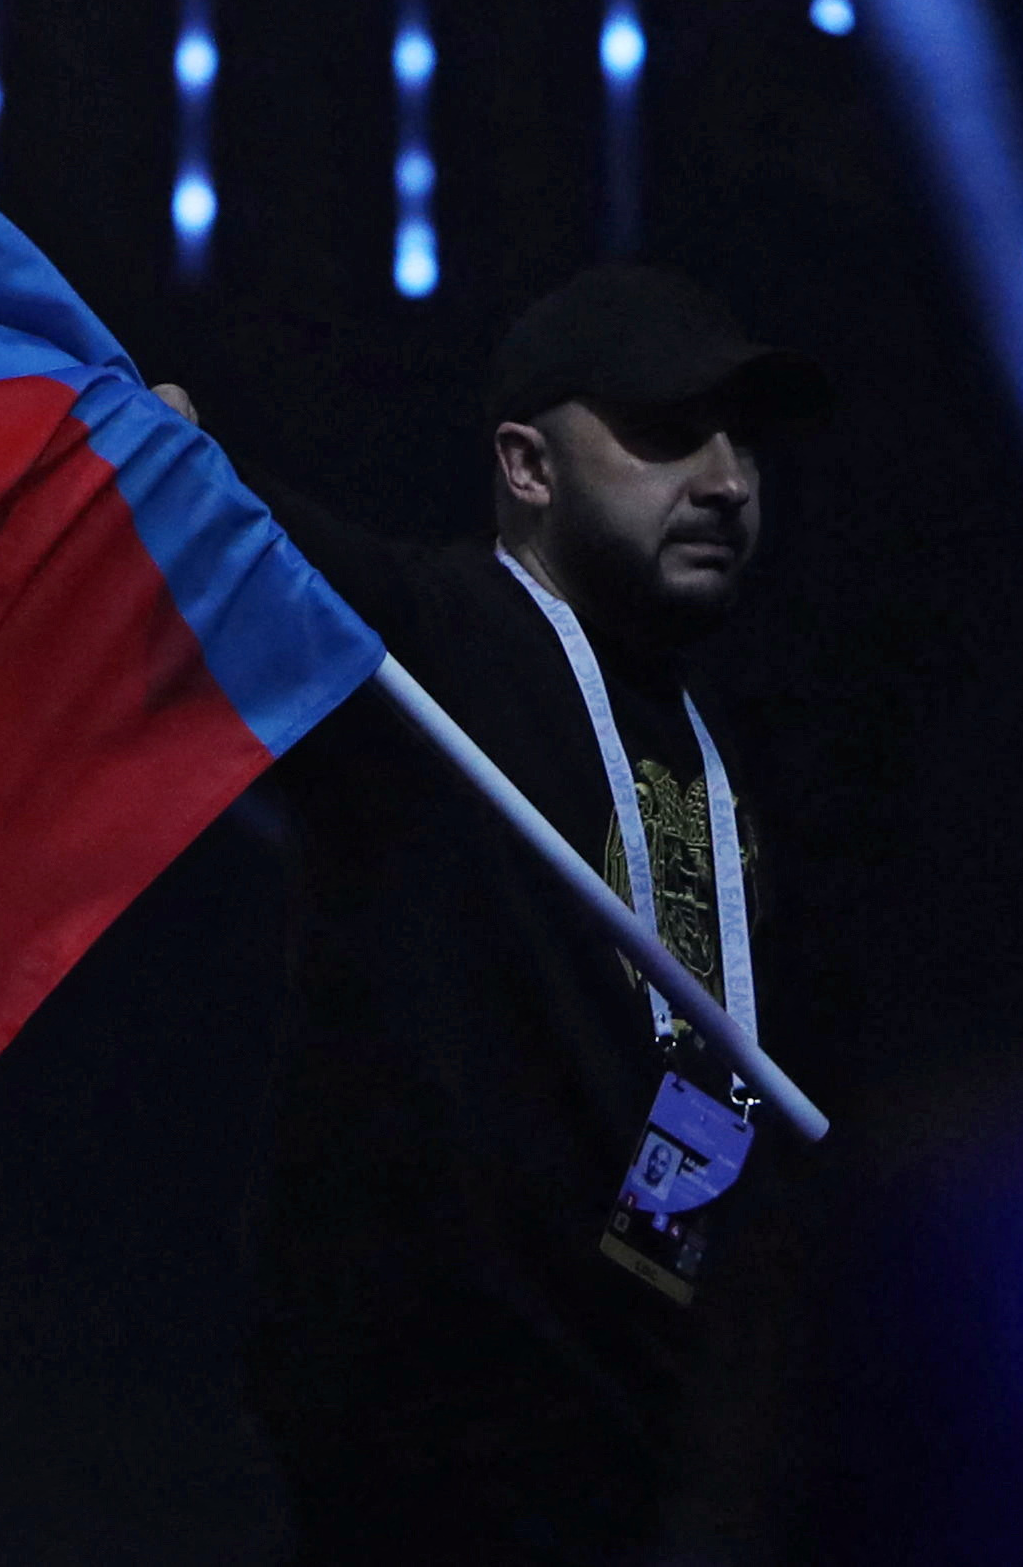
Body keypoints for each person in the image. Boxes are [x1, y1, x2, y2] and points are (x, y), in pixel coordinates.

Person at [165, 263, 828, 1567]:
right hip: (428, 1448)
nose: (727, 480)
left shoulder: (712, 757)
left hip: (632, 1447)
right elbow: (219, 541)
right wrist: (167, 470)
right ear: (528, 465)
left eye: (741, 440)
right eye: (662, 430)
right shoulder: (426, 643)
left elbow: (708, 1085)